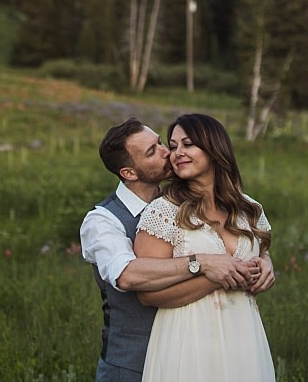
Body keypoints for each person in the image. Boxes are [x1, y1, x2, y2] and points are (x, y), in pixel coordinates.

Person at [80, 118, 261, 382]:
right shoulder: (103, 221)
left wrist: (263, 260)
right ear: (129, 173)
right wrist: (202, 263)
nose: (170, 153)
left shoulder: (181, 203)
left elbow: (236, 240)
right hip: (132, 365)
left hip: (198, 354)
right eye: (153, 152)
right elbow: (127, 274)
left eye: (161, 143)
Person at [133, 113, 277, 382]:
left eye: (188, 144)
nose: (177, 153)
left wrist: (267, 265)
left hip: (244, 336)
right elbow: (147, 295)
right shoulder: (163, 211)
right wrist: (214, 278)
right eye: (173, 146)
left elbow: (258, 249)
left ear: (214, 148)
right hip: (187, 340)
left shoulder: (249, 208)